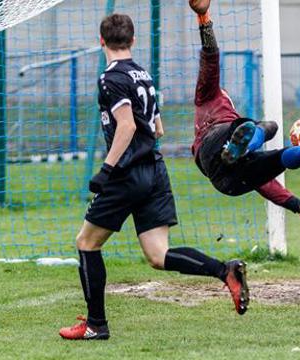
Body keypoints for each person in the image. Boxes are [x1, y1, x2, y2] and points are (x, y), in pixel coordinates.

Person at [59, 13, 249, 341]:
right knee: (158, 255)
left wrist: (107, 170)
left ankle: (96, 324)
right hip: (155, 170)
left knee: (86, 243)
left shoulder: (110, 78)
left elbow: (128, 126)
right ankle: (224, 270)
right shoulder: (143, 74)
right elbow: (157, 128)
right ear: (133, 41)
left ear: (100, 40)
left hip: (125, 174)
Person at [189, 0, 300, 236]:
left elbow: (269, 188)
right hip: (214, 143)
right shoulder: (208, 96)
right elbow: (211, 57)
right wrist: (203, 18)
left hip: (226, 181)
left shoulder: (227, 116)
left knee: (274, 162)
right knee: (269, 127)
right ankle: (257, 148)